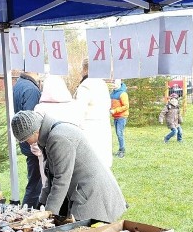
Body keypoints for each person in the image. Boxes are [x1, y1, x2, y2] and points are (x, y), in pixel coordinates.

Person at [11, 110, 126, 222]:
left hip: (93, 192)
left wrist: (48, 214)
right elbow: (52, 174)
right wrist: (41, 204)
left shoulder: (58, 138)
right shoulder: (51, 133)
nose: (27, 143)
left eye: (25, 139)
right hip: (85, 189)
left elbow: (61, 179)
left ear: (34, 132)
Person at [34, 75, 84, 186]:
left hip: (48, 154)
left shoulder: (40, 109)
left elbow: (35, 135)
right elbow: (82, 129)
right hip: (73, 151)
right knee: (71, 184)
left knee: (50, 185)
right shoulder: (75, 106)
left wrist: (38, 152)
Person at [74, 60, 113, 170]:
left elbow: (79, 111)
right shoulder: (102, 84)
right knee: (102, 167)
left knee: (88, 168)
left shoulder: (86, 85)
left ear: (85, 69)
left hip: (89, 130)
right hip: (102, 128)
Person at [12, 69, 42, 207]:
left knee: (34, 181)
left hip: (25, 140)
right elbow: (31, 121)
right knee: (36, 184)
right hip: (32, 141)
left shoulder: (19, 84)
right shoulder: (31, 89)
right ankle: (28, 212)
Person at [109, 78, 129, 158]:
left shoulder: (123, 94)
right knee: (118, 133)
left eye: (114, 83)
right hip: (116, 117)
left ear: (118, 84)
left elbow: (126, 106)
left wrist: (115, 110)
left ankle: (122, 151)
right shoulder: (112, 93)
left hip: (121, 117)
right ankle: (120, 150)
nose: (113, 85)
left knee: (119, 133)